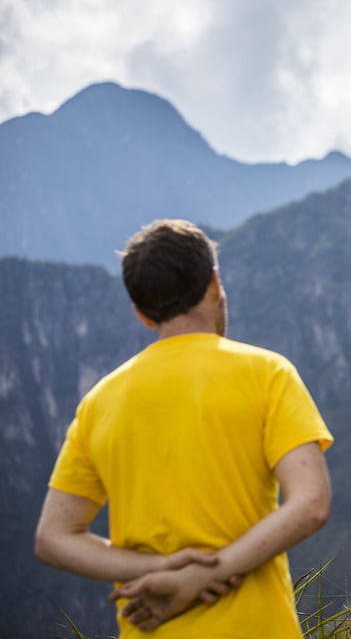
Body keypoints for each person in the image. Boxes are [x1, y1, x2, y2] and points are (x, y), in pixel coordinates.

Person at [35, 219, 333, 637]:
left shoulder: (99, 402)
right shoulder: (267, 373)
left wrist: (161, 569)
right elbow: (311, 504)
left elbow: (53, 538)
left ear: (141, 313)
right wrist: (207, 574)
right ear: (215, 283)